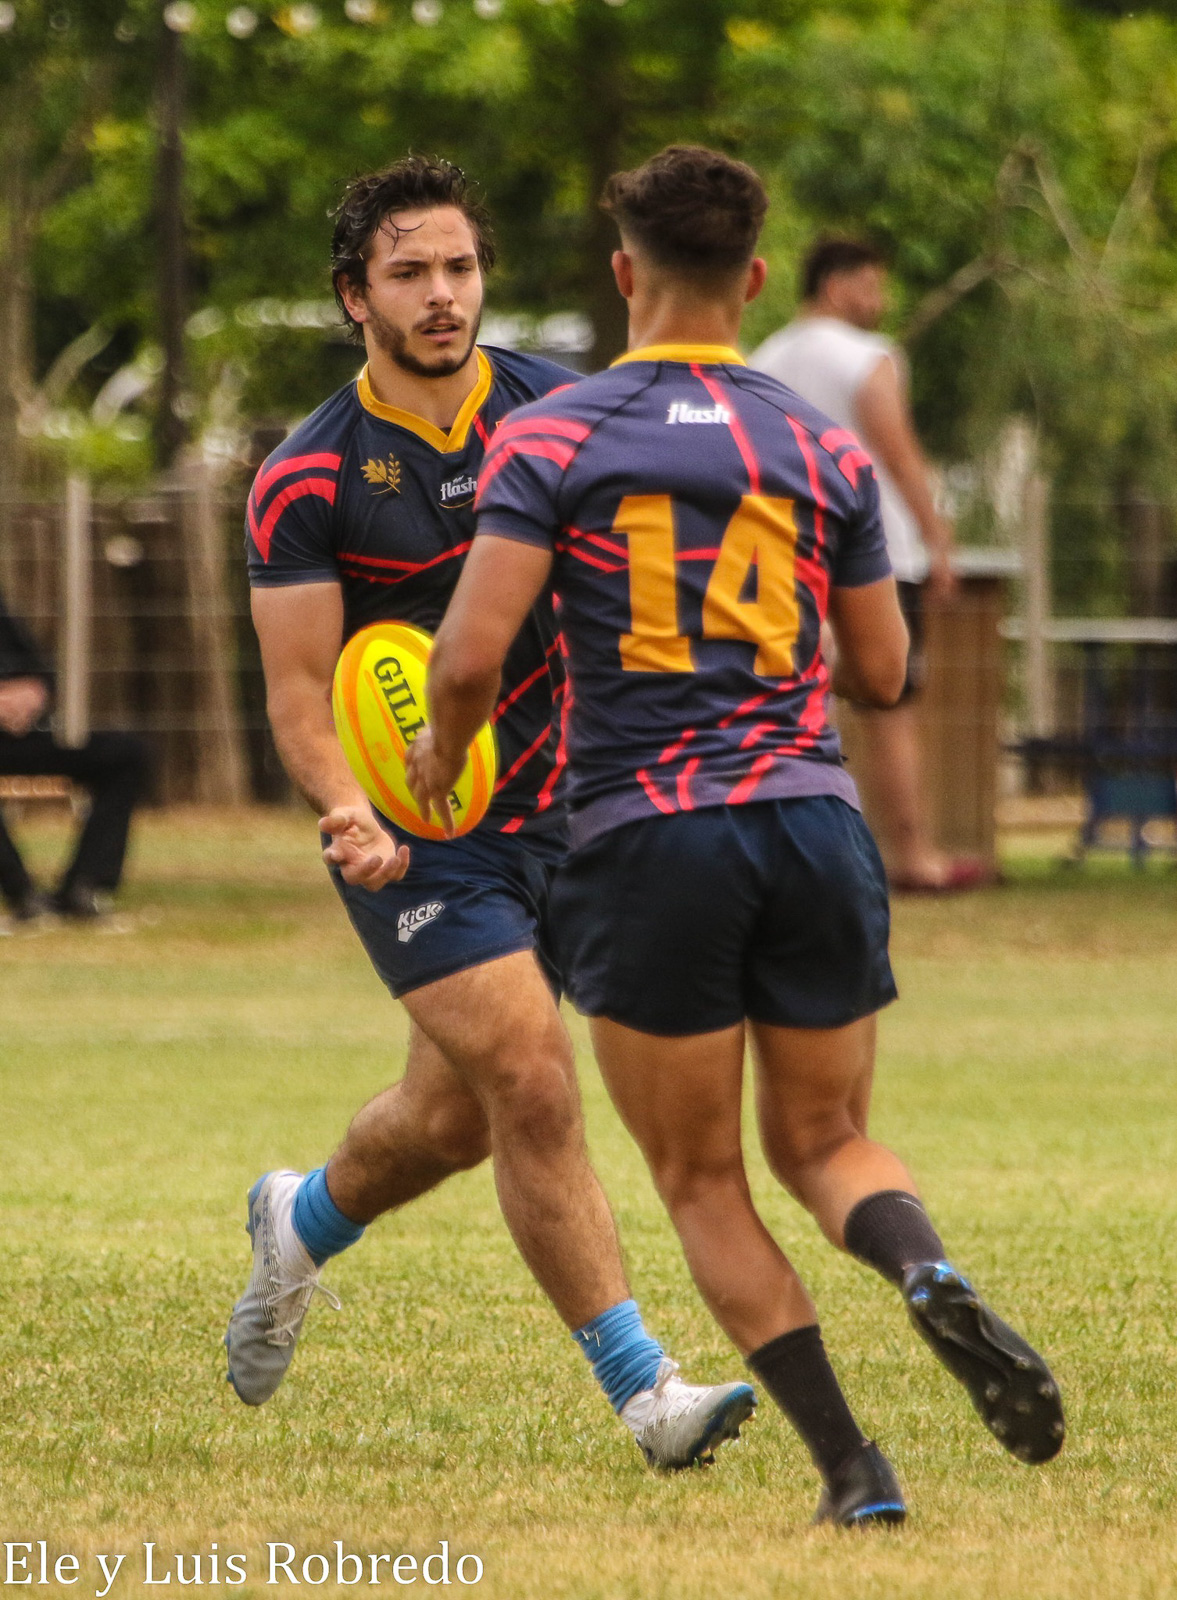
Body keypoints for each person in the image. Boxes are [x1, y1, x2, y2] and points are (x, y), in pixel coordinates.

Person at [408, 144, 1065, 1527]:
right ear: (756, 278)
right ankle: (924, 1272)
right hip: (814, 823)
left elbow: (470, 657)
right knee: (826, 1142)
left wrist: (440, 756)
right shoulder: (818, 445)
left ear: (621, 273)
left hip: (650, 838)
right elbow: (884, 672)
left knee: (701, 1179)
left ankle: (854, 1473)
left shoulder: (552, 434)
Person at [227, 154, 756, 1471]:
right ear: (356, 297)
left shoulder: (565, 413)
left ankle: (299, 1221)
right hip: (410, 832)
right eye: (408, 272)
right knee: (530, 1076)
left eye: (458, 267)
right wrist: (348, 809)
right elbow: (300, 697)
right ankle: (648, 1395)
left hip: (570, 808)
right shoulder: (307, 479)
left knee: (453, 1123)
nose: (442, 294)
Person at [751, 237, 985, 893]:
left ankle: (792, 853)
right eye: (871, 284)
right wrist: (938, 537)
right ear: (836, 284)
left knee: (789, 704)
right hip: (875, 553)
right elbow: (898, 453)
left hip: (784, 550)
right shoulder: (867, 357)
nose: (880, 299)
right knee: (890, 703)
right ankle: (912, 853)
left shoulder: (760, 359)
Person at [0, 584, 147, 922]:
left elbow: (39, 668)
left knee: (124, 754)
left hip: (19, 734)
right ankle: (20, 892)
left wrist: (33, 692)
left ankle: (84, 887)